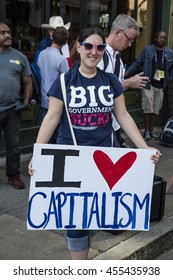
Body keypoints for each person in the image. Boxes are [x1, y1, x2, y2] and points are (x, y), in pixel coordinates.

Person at [28, 27, 161, 260]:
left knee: (93, 216)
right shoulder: (65, 80)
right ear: (78, 47)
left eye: (99, 47)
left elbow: (123, 116)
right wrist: (38, 154)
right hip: (71, 159)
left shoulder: (110, 80)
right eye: (88, 46)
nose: (94, 51)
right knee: (76, 220)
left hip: (103, 159)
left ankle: (83, 260)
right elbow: (51, 118)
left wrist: (144, 147)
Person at [98, 14, 149, 147]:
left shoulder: (118, 59)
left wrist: (129, 84)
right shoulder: (98, 56)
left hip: (115, 122)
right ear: (117, 33)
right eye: (129, 40)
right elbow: (96, 91)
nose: (130, 44)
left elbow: (116, 91)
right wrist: (129, 82)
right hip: (100, 125)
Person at [0, 22, 32, 189]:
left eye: (8, 32)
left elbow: (27, 82)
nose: (7, 36)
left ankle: (13, 176)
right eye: (2, 33)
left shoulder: (20, 57)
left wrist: (25, 103)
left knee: (13, 146)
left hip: (12, 109)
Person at [125, 31, 173, 141]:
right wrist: (127, 72)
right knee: (148, 108)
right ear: (155, 38)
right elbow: (138, 63)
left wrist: (169, 78)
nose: (161, 39)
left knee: (155, 110)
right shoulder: (148, 50)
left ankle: (151, 131)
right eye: (159, 37)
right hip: (148, 84)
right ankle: (146, 131)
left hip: (161, 85)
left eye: (163, 38)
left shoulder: (169, 52)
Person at [37, 26, 69, 143]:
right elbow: (67, 80)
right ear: (65, 42)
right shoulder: (61, 59)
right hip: (57, 102)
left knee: (45, 136)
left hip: (44, 100)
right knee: (58, 139)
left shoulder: (41, 54)